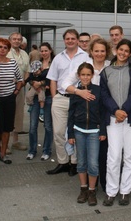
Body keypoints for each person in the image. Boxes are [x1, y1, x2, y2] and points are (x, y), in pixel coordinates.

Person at [62, 38, 111, 190]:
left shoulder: (110, 66)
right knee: (83, 159)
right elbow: (65, 85)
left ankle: (101, 185)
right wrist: (79, 92)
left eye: (102, 51)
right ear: (91, 52)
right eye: (96, 50)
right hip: (82, 124)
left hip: (102, 117)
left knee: (102, 156)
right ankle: (88, 187)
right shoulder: (83, 67)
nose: (99, 53)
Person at [100, 39, 131, 206]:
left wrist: (123, 111)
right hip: (113, 118)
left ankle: (125, 191)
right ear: (116, 50)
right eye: (121, 49)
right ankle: (111, 191)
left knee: (130, 156)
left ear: (130, 54)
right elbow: (104, 94)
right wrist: (115, 111)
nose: (123, 53)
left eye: (127, 51)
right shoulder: (106, 71)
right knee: (114, 156)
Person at [46, 29, 89, 176]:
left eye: (73, 38)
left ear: (77, 40)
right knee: (58, 132)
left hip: (78, 99)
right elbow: (53, 79)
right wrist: (54, 98)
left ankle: (75, 162)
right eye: (67, 39)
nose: (70, 41)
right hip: (60, 98)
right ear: (64, 40)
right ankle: (63, 162)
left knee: (76, 132)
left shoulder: (86, 57)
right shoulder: (58, 58)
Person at [67, 63, 106, 206]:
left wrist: (102, 131)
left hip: (94, 132)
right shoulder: (76, 93)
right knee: (81, 162)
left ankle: (92, 190)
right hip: (79, 131)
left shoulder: (98, 90)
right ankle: (83, 189)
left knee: (93, 164)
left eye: (88, 74)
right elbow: (70, 114)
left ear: (92, 76)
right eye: (82, 74)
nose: (85, 77)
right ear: (78, 75)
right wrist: (70, 134)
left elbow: (102, 112)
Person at [0, 38, 23, 164]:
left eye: (5, 47)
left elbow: (20, 79)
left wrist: (16, 92)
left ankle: (3, 153)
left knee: (7, 127)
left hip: (9, 99)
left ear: (8, 50)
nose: (2, 49)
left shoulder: (12, 63)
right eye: (0, 47)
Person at [27, 43, 55, 161]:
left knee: (48, 125)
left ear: (50, 51)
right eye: (42, 51)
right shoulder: (36, 63)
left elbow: (53, 80)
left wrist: (42, 83)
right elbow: (28, 77)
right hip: (35, 96)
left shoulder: (53, 64)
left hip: (48, 97)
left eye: (45, 50)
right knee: (33, 126)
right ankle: (32, 150)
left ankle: (46, 150)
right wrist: (34, 83)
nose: (43, 53)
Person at [7, 32, 29, 149]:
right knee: (6, 115)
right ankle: (3, 145)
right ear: (10, 40)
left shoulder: (24, 53)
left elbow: (27, 70)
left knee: (18, 114)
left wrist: (23, 82)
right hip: (7, 88)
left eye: (19, 39)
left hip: (21, 88)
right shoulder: (5, 52)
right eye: (14, 39)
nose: (16, 41)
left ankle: (15, 141)